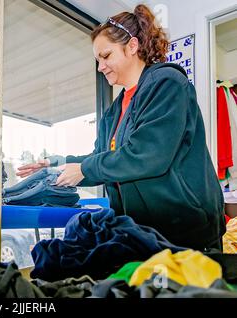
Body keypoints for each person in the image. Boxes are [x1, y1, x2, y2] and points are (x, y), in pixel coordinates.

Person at [16, 4, 225, 251]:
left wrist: (84, 168)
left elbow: (147, 155)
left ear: (132, 47)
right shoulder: (115, 111)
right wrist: (55, 164)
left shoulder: (168, 84)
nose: (100, 66)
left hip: (185, 231)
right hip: (142, 230)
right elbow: (101, 158)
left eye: (106, 56)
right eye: (97, 59)